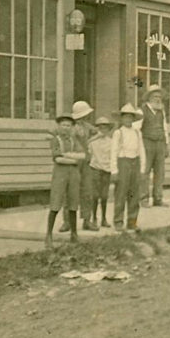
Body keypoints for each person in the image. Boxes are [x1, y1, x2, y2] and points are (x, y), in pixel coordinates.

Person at [46, 113, 86, 248]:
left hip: (73, 173)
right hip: (60, 173)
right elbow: (57, 158)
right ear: (59, 126)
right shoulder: (56, 140)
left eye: (69, 125)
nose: (66, 128)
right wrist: (72, 158)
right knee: (56, 202)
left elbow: (83, 155)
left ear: (72, 127)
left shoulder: (74, 140)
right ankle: (49, 235)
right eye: (63, 125)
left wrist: (67, 155)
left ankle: (74, 234)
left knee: (73, 202)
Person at [110, 103, 146, 235]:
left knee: (134, 194)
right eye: (125, 117)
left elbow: (142, 150)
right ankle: (118, 221)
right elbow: (113, 152)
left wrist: (142, 168)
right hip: (123, 162)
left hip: (135, 162)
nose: (128, 120)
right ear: (121, 119)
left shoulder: (137, 132)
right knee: (121, 193)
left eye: (130, 117)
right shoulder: (118, 133)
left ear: (133, 119)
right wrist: (114, 170)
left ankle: (132, 221)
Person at [60, 100, 95, 232]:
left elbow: (98, 132)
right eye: (82, 116)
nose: (84, 118)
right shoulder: (69, 127)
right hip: (73, 162)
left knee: (87, 191)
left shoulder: (87, 126)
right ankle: (67, 221)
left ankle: (87, 220)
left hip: (85, 162)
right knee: (70, 191)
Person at [137, 84, 169, 207]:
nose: (157, 99)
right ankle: (143, 199)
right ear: (149, 97)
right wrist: (139, 147)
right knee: (145, 171)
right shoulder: (141, 110)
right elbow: (136, 129)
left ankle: (158, 198)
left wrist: (167, 145)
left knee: (160, 172)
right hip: (147, 143)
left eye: (159, 97)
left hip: (160, 143)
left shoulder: (161, 112)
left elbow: (165, 128)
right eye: (155, 96)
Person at [84, 115, 114, 230]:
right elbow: (86, 149)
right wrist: (95, 137)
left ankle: (104, 219)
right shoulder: (92, 142)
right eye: (100, 128)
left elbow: (113, 156)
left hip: (106, 170)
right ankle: (94, 218)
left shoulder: (111, 142)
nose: (103, 130)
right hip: (95, 169)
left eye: (105, 128)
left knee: (105, 196)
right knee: (95, 196)